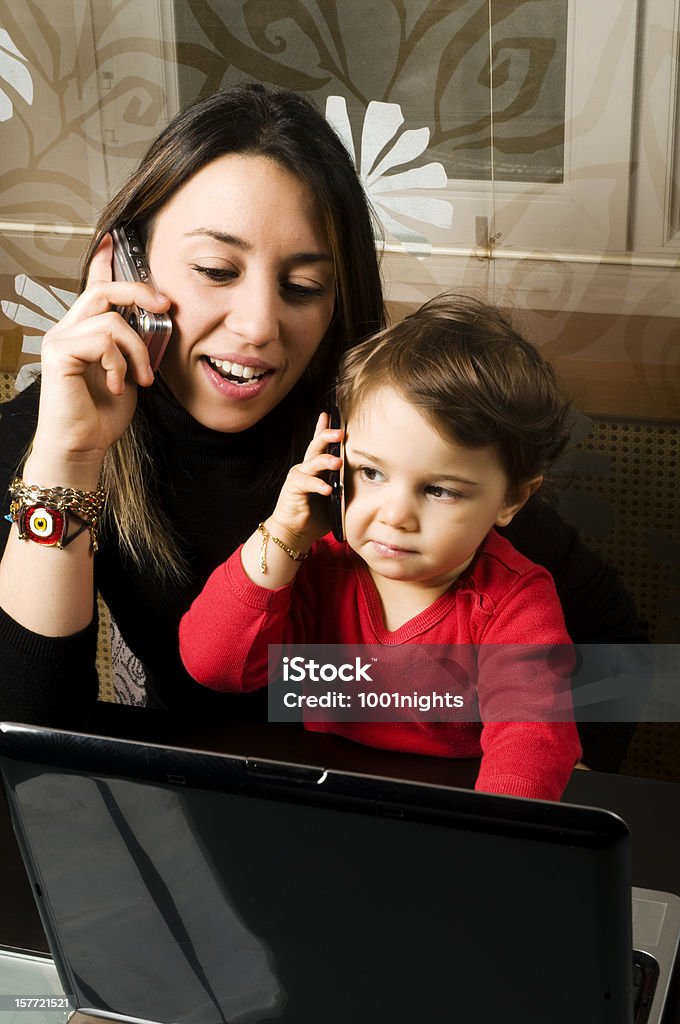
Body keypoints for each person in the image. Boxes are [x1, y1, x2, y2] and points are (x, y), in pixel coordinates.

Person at [0, 84, 645, 772]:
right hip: (192, 798)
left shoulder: (388, 434)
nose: (257, 327)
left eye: (303, 287)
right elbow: (33, 739)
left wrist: (519, 778)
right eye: (217, 270)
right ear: (118, 265)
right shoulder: (59, 432)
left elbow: (617, 648)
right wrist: (69, 458)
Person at [179, 294, 583, 800]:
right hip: (331, 798)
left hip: (457, 807)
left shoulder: (513, 602)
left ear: (512, 498)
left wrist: (494, 834)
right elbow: (214, 665)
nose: (394, 515)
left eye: (440, 490)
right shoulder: (319, 567)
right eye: (371, 472)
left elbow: (532, 738)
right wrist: (283, 533)